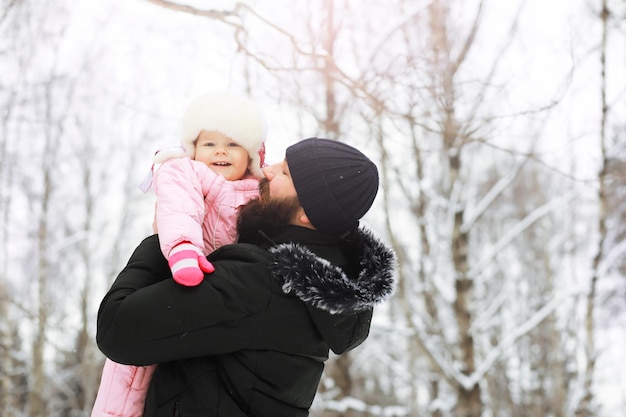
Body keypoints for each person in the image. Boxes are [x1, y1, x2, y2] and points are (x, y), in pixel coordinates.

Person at [96, 137, 397, 417]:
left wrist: (161, 239)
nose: (266, 171)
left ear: (308, 213)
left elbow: (116, 328)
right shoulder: (311, 289)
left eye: (285, 173)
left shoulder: (260, 281)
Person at [91, 92, 267, 417]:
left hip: (220, 296)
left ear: (253, 155)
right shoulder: (185, 172)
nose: (220, 152)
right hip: (180, 270)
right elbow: (178, 210)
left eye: (233, 144)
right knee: (131, 372)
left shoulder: (261, 194)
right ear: (193, 149)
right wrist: (184, 248)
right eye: (209, 144)